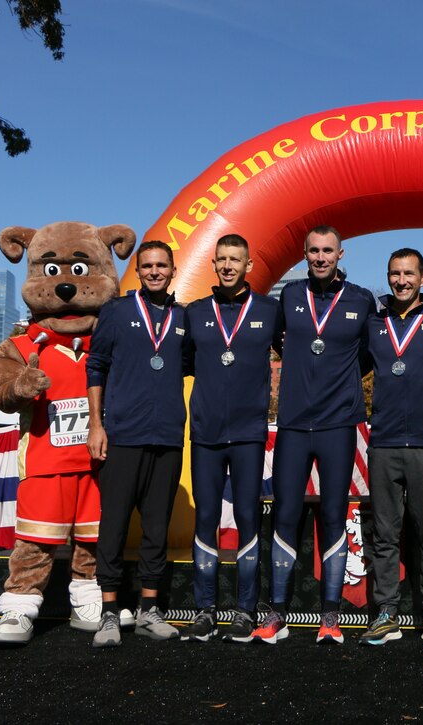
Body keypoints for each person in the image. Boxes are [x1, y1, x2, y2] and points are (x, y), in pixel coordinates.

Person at [253, 225, 374, 645]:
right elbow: (278, 342)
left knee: (334, 514)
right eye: (314, 252)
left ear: (341, 254)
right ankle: (278, 613)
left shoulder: (361, 299)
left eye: (328, 251)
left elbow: (367, 354)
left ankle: (330, 616)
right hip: (293, 423)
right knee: (286, 515)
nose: (321, 257)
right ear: (305, 255)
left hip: (339, 424)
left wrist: (335, 384)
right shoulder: (288, 296)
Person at [179, 234, 284, 643]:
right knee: (205, 518)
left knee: (247, 518)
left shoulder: (270, 310)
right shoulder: (196, 312)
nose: (227, 265)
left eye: (235, 259)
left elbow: (296, 353)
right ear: (213, 263)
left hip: (248, 434)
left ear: (249, 265)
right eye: (221, 259)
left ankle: (245, 609)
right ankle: (204, 609)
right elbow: (184, 363)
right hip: (205, 432)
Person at [86, 240, 188, 647]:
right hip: (123, 435)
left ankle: (149, 609)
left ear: (173, 269)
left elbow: (194, 363)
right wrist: (97, 424)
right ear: (139, 271)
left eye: (162, 265)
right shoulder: (117, 311)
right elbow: (96, 365)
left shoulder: (184, 318)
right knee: (112, 527)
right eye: (147, 266)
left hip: (166, 437)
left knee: (157, 528)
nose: (155, 272)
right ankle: (110, 613)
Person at [359, 248, 423, 647]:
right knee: (384, 534)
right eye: (394, 274)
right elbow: (356, 365)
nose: (401, 281)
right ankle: (387, 612)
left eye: (409, 274)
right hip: (383, 441)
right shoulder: (374, 323)